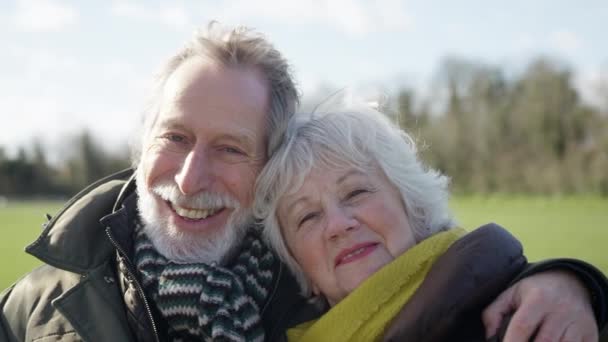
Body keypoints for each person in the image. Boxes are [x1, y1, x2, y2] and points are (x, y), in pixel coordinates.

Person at [0, 23, 606, 342]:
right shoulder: (36, 304)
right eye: (175, 137)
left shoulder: (302, 287)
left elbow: (452, 277)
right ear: (142, 140)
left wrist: (573, 285)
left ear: (266, 168)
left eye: (231, 147)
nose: (190, 177)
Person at [253, 103, 608, 341]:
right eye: (308, 217)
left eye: (356, 193)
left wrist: (586, 289)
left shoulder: (519, 316)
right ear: (299, 268)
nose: (337, 224)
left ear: (413, 206)